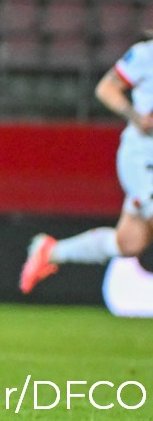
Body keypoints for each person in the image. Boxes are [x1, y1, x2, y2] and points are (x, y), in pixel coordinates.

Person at [21, 32, 153, 294]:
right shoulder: (146, 54)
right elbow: (107, 88)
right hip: (143, 159)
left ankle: (52, 252)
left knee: (130, 243)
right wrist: (135, 116)